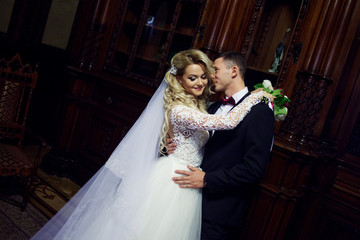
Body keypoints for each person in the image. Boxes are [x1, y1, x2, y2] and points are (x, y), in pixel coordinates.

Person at [31, 49, 270, 240]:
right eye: (194, 77)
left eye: (210, 72)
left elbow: (251, 167)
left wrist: (180, 151)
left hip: (209, 198)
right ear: (179, 79)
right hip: (176, 182)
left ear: (234, 71)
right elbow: (223, 123)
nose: (205, 79)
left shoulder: (246, 111)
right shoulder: (198, 108)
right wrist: (258, 95)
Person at [171, 51, 275, 240]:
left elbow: (254, 169)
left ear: (234, 71)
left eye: (215, 70)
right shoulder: (211, 107)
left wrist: (207, 179)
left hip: (220, 211)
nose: (210, 76)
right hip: (189, 201)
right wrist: (172, 145)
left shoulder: (260, 112)